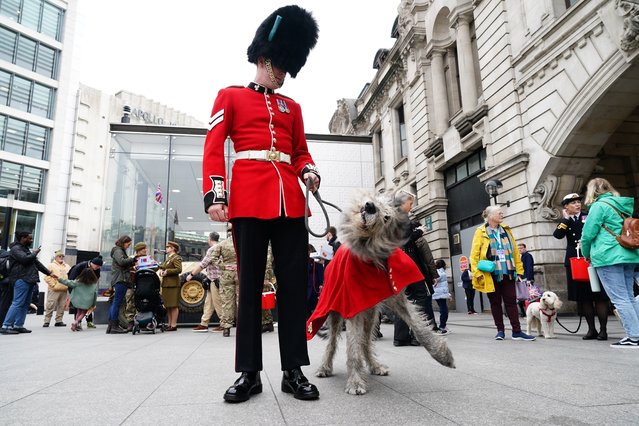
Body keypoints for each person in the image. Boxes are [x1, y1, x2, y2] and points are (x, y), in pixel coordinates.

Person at [202, 5, 320, 403]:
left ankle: (293, 370)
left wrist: (309, 172)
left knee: (292, 289)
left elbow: (300, 152)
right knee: (250, 288)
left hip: (290, 204)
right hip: (249, 201)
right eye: (280, 66)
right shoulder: (230, 96)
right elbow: (214, 148)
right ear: (264, 59)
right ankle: (249, 372)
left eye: (287, 68)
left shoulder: (293, 108)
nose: (284, 74)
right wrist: (217, 195)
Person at [580, 178, 639, 348]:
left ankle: (633, 336)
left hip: (607, 255)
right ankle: (636, 333)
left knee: (619, 298)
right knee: (628, 296)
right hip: (628, 253)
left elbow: (588, 234)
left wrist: (586, 254)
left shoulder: (598, 206)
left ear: (592, 191)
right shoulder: (624, 205)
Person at [469, 206, 536, 341]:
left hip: (508, 272)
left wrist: (520, 271)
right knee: (495, 303)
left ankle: (517, 331)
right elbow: (474, 255)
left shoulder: (506, 230)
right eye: (499, 213)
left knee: (511, 301)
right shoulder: (480, 232)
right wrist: (477, 273)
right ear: (490, 215)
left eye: (501, 212)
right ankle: (500, 331)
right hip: (490, 274)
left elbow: (515, 252)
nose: (501, 214)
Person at [553, 192, 610, 340]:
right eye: (573, 203)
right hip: (576, 262)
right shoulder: (565, 221)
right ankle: (591, 329)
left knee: (599, 296)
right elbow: (558, 234)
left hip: (592, 258)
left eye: (578, 202)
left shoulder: (589, 216)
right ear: (566, 207)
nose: (577, 204)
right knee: (584, 297)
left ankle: (603, 330)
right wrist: (565, 218)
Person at [392, 190, 439, 346]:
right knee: (421, 297)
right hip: (409, 261)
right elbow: (404, 241)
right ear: (403, 202)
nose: (411, 207)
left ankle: (401, 337)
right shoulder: (401, 218)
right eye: (410, 203)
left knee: (403, 299)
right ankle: (418, 335)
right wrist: (418, 232)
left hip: (398, 262)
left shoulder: (392, 218)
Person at [0, 231, 56, 334]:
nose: (31, 240)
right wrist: (34, 253)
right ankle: (6, 325)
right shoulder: (15, 249)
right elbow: (25, 259)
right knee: (17, 303)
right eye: (29, 238)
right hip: (21, 279)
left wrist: (49, 273)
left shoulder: (24, 249)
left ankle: (18, 325)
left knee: (25, 304)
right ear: (22, 238)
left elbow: (36, 263)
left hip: (29, 280)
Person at [189, 232, 223, 332]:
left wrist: (191, 275)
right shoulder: (220, 247)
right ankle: (204, 323)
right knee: (209, 303)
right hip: (213, 279)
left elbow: (203, 264)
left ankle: (224, 323)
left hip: (215, 279)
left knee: (217, 302)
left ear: (210, 239)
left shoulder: (212, 249)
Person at [211, 231, 238, 337]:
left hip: (226, 274)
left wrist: (223, 266)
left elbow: (213, 258)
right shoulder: (241, 243)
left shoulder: (222, 244)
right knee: (241, 300)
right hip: (240, 273)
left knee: (227, 301)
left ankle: (226, 328)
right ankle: (243, 326)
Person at [108, 236, 136, 334]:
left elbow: (122, 264)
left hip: (119, 279)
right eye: (128, 244)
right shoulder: (118, 250)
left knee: (116, 302)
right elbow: (122, 261)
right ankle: (114, 326)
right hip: (120, 279)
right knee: (117, 303)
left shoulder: (118, 250)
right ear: (124, 242)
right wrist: (132, 259)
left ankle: (111, 326)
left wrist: (131, 262)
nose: (128, 246)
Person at [68, 256, 103, 329]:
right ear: (92, 263)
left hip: (88, 289)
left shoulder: (97, 269)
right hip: (78, 288)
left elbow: (96, 279)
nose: (98, 268)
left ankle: (89, 321)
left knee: (89, 304)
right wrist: (72, 292)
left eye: (99, 267)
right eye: (97, 266)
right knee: (78, 306)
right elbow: (71, 279)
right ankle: (78, 322)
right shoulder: (79, 267)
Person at [158, 241, 182, 331]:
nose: (167, 248)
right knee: (168, 305)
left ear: (173, 248)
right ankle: (170, 324)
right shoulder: (168, 258)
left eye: (168, 247)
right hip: (166, 284)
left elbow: (179, 269)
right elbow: (163, 267)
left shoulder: (176, 258)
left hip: (173, 284)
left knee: (174, 305)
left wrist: (167, 272)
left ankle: (174, 324)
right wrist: (160, 270)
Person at [43, 251, 71, 327]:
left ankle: (59, 320)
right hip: (54, 289)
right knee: (50, 305)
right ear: (56, 257)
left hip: (64, 289)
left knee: (62, 306)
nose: (61, 257)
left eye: (62, 256)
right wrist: (53, 285)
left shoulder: (67, 266)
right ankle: (47, 321)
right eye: (59, 256)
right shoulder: (51, 265)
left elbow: (70, 276)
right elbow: (46, 277)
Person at [433, 259, 451, 335]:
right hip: (440, 294)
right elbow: (437, 278)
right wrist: (436, 280)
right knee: (444, 311)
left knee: (443, 309)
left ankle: (443, 325)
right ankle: (442, 326)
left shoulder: (438, 271)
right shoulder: (440, 272)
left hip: (439, 294)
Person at [517, 243, 535, 317]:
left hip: (527, 279)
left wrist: (528, 279)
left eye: (521, 248)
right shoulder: (522, 256)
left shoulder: (527, 256)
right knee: (523, 297)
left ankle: (527, 313)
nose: (519, 250)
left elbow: (529, 268)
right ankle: (524, 313)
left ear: (525, 248)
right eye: (518, 248)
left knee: (528, 297)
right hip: (523, 279)